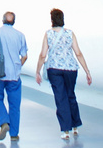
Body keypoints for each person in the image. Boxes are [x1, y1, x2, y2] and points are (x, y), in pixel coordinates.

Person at [35, 8, 92, 139]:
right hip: (71, 69)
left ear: (52, 20)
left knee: (61, 98)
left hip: (54, 69)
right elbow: (78, 53)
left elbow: (43, 55)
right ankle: (75, 126)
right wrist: (87, 71)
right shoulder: (70, 34)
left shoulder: (48, 34)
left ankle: (65, 130)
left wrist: (38, 71)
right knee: (71, 95)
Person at [0, 11, 28, 141]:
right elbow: (24, 56)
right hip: (14, 74)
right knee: (15, 105)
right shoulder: (20, 35)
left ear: (2, 20)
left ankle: (4, 122)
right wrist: (17, 66)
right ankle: (14, 134)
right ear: (14, 21)